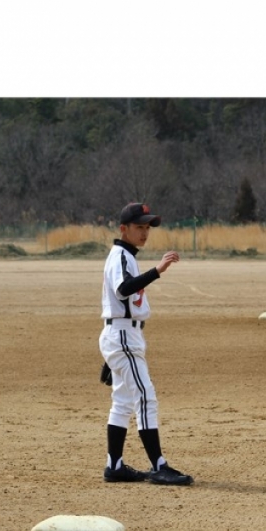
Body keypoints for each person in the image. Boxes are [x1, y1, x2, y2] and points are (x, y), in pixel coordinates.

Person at [99, 202, 193, 486]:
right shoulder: (121, 256)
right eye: (139, 227)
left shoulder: (126, 255)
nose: (144, 232)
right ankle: (158, 466)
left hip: (123, 336)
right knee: (145, 397)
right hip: (123, 336)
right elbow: (123, 289)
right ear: (123, 229)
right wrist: (158, 270)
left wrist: (113, 356)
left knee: (123, 400)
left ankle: (115, 465)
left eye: (147, 227)